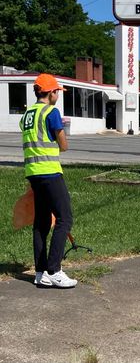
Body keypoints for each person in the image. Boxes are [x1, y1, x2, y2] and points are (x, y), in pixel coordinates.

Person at [19, 73, 77, 288]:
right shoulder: (51, 112)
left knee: (41, 222)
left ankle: (40, 272)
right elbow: (63, 145)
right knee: (64, 219)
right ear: (51, 92)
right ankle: (55, 270)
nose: (58, 96)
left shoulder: (27, 114)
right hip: (50, 172)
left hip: (33, 173)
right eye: (57, 92)